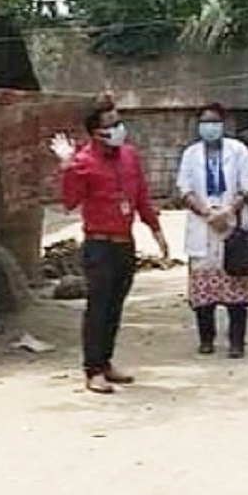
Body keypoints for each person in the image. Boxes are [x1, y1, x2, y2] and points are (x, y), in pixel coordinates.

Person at [51, 96, 171, 394]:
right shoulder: (83, 162)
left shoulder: (129, 155)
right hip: (99, 245)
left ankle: (106, 362)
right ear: (95, 133)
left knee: (115, 306)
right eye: (111, 125)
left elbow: (141, 194)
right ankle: (93, 370)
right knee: (99, 308)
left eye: (119, 122)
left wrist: (155, 229)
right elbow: (69, 201)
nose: (118, 129)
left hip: (124, 243)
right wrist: (67, 166)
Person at [177, 103, 248, 358]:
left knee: (236, 282)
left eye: (214, 121)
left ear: (223, 124)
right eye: (204, 122)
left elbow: (247, 187)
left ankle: (237, 341)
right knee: (204, 289)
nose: (209, 127)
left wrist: (227, 213)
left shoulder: (238, 150)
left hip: (231, 222)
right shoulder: (191, 154)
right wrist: (207, 214)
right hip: (202, 222)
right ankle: (206, 338)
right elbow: (185, 189)